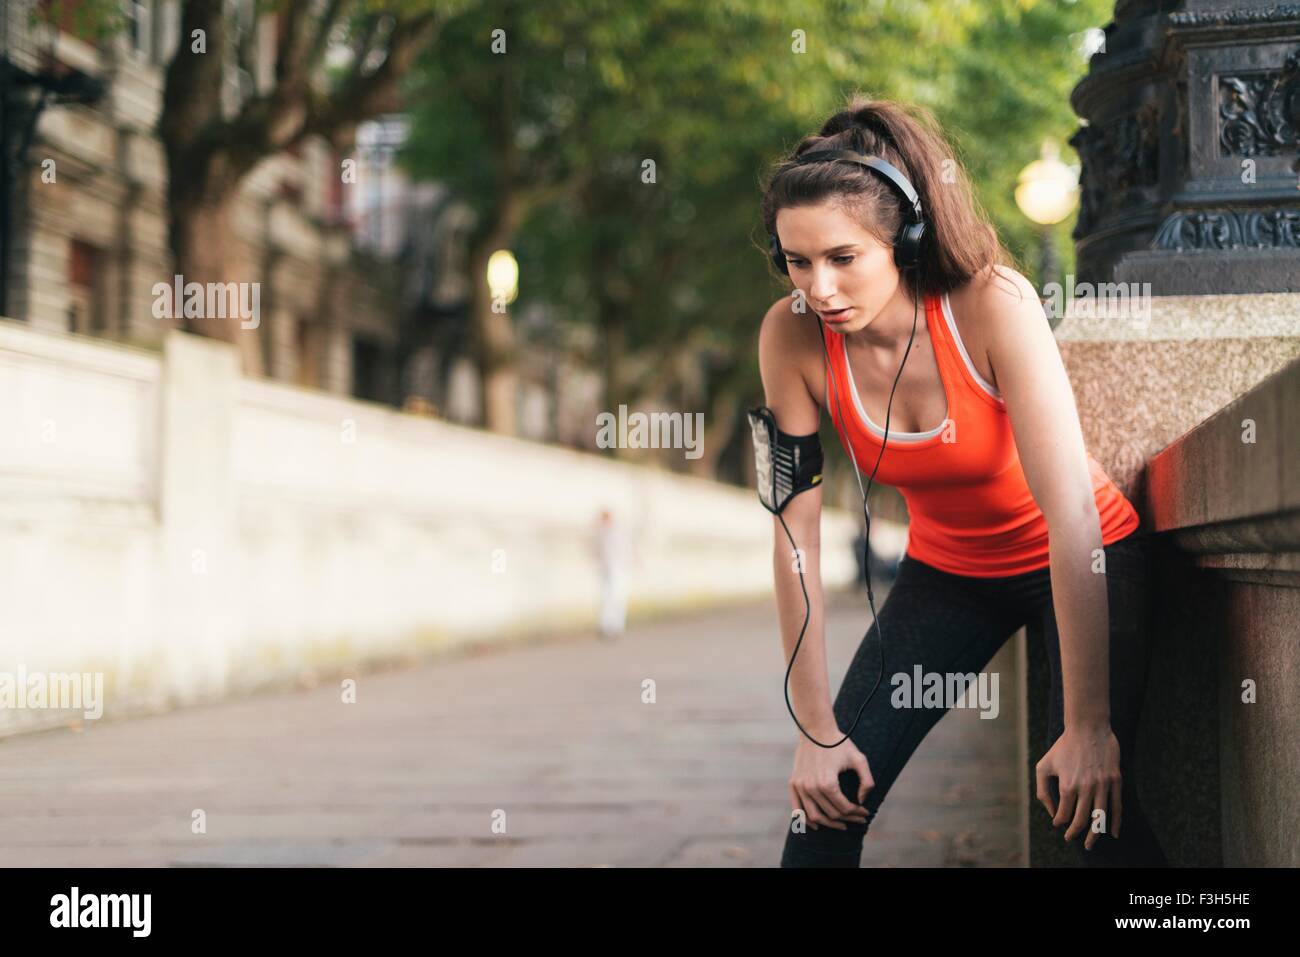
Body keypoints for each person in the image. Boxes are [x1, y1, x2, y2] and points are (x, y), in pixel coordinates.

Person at [757, 96, 1166, 867]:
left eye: (843, 258)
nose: (819, 287)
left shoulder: (991, 304)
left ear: (903, 240)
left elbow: (1072, 512)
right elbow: (793, 534)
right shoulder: (790, 335)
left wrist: (1086, 724)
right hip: (947, 576)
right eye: (797, 261)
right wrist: (815, 728)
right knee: (822, 817)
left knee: (1093, 817)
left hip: (1085, 556)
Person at [592, 509, 634, 639]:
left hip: (619, 569)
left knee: (617, 597)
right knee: (607, 597)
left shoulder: (619, 532)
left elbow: (627, 549)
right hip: (607, 569)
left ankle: (616, 626)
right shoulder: (601, 533)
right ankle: (606, 626)